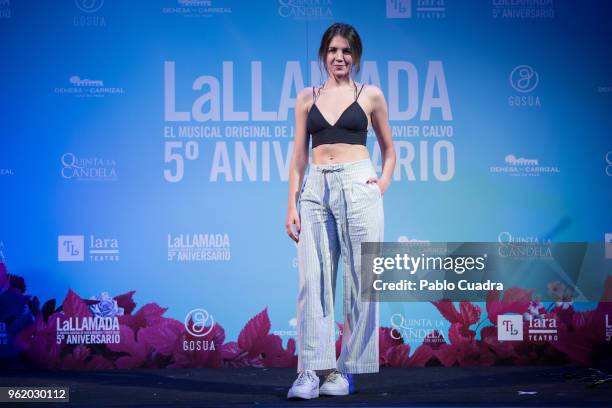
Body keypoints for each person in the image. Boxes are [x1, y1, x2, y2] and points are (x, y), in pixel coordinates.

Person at [285, 22, 396, 399]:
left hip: (358, 182)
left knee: (361, 278)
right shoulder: (307, 97)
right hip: (316, 186)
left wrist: (380, 183)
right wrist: (291, 204)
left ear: (356, 57)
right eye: (333, 50)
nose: (340, 57)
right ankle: (312, 371)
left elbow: (390, 149)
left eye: (347, 51)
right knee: (311, 281)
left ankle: (346, 371)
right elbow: (299, 155)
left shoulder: (371, 95)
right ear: (323, 55)